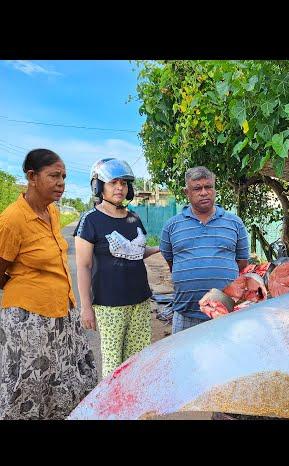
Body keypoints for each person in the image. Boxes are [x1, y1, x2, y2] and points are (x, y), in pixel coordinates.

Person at [0, 149, 97, 419]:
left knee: (66, 382)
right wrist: (25, 283)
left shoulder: (52, 212)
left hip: (61, 313)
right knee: (28, 389)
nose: (61, 183)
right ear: (32, 177)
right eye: (54, 175)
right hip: (28, 319)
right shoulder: (12, 220)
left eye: (64, 176)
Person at [74, 158, 160, 379]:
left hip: (140, 301)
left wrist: (161, 248)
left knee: (139, 360)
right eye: (113, 183)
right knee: (114, 364)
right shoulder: (90, 220)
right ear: (98, 186)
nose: (119, 188)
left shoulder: (134, 218)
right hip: (109, 305)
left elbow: (137, 251)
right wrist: (86, 307)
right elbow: (83, 266)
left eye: (123, 183)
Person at [160, 166, 249, 334]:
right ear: (187, 192)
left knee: (226, 359)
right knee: (184, 360)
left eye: (208, 187)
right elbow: (171, 262)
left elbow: (242, 264)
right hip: (185, 314)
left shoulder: (235, 223)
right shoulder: (171, 226)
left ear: (214, 189)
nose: (204, 192)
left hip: (226, 314)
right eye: (197, 188)